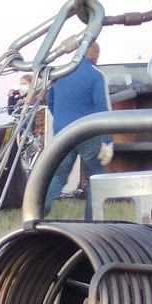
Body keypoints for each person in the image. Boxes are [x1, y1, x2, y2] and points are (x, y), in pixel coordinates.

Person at [43, 42, 114, 220]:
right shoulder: (96, 75)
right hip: (87, 133)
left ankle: (37, 212)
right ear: (96, 54)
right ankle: (92, 220)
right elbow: (102, 109)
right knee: (95, 178)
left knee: (59, 175)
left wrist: (62, 120)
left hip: (62, 132)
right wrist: (107, 141)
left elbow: (50, 103)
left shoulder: (60, 74)